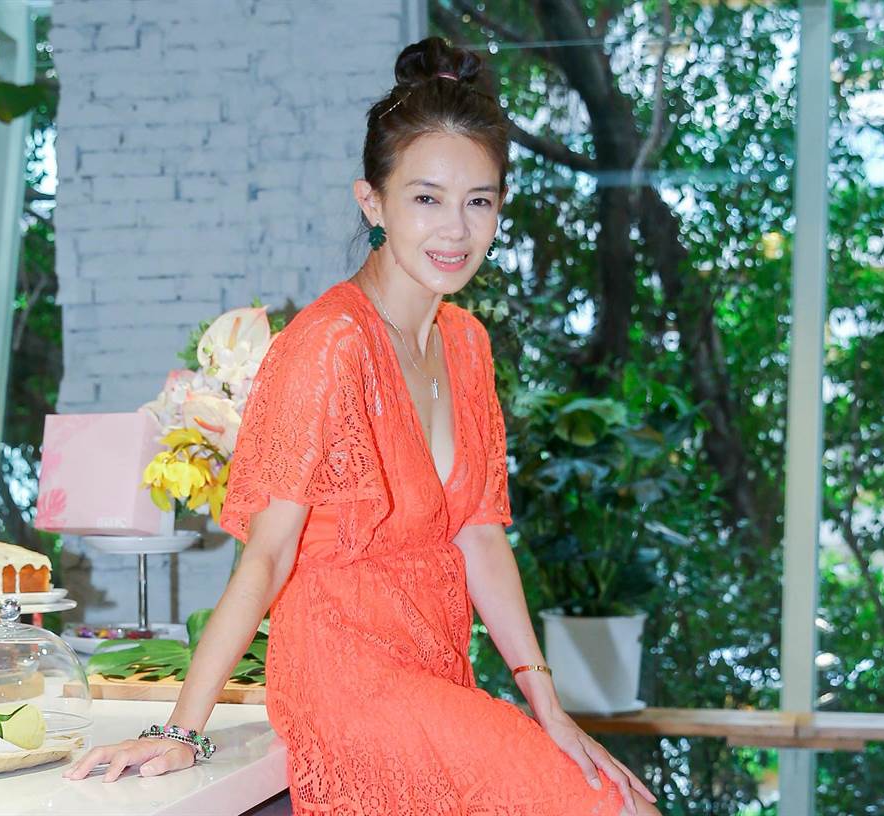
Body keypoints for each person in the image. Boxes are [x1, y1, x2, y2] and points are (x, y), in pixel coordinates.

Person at [63, 36, 660, 816]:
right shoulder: (329, 345)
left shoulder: (467, 345)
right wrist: (181, 729)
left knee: (604, 792)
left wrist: (547, 705)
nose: (456, 230)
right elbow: (267, 553)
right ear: (372, 202)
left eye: (479, 201)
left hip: (436, 668)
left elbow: (480, 537)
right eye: (426, 198)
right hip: (346, 679)